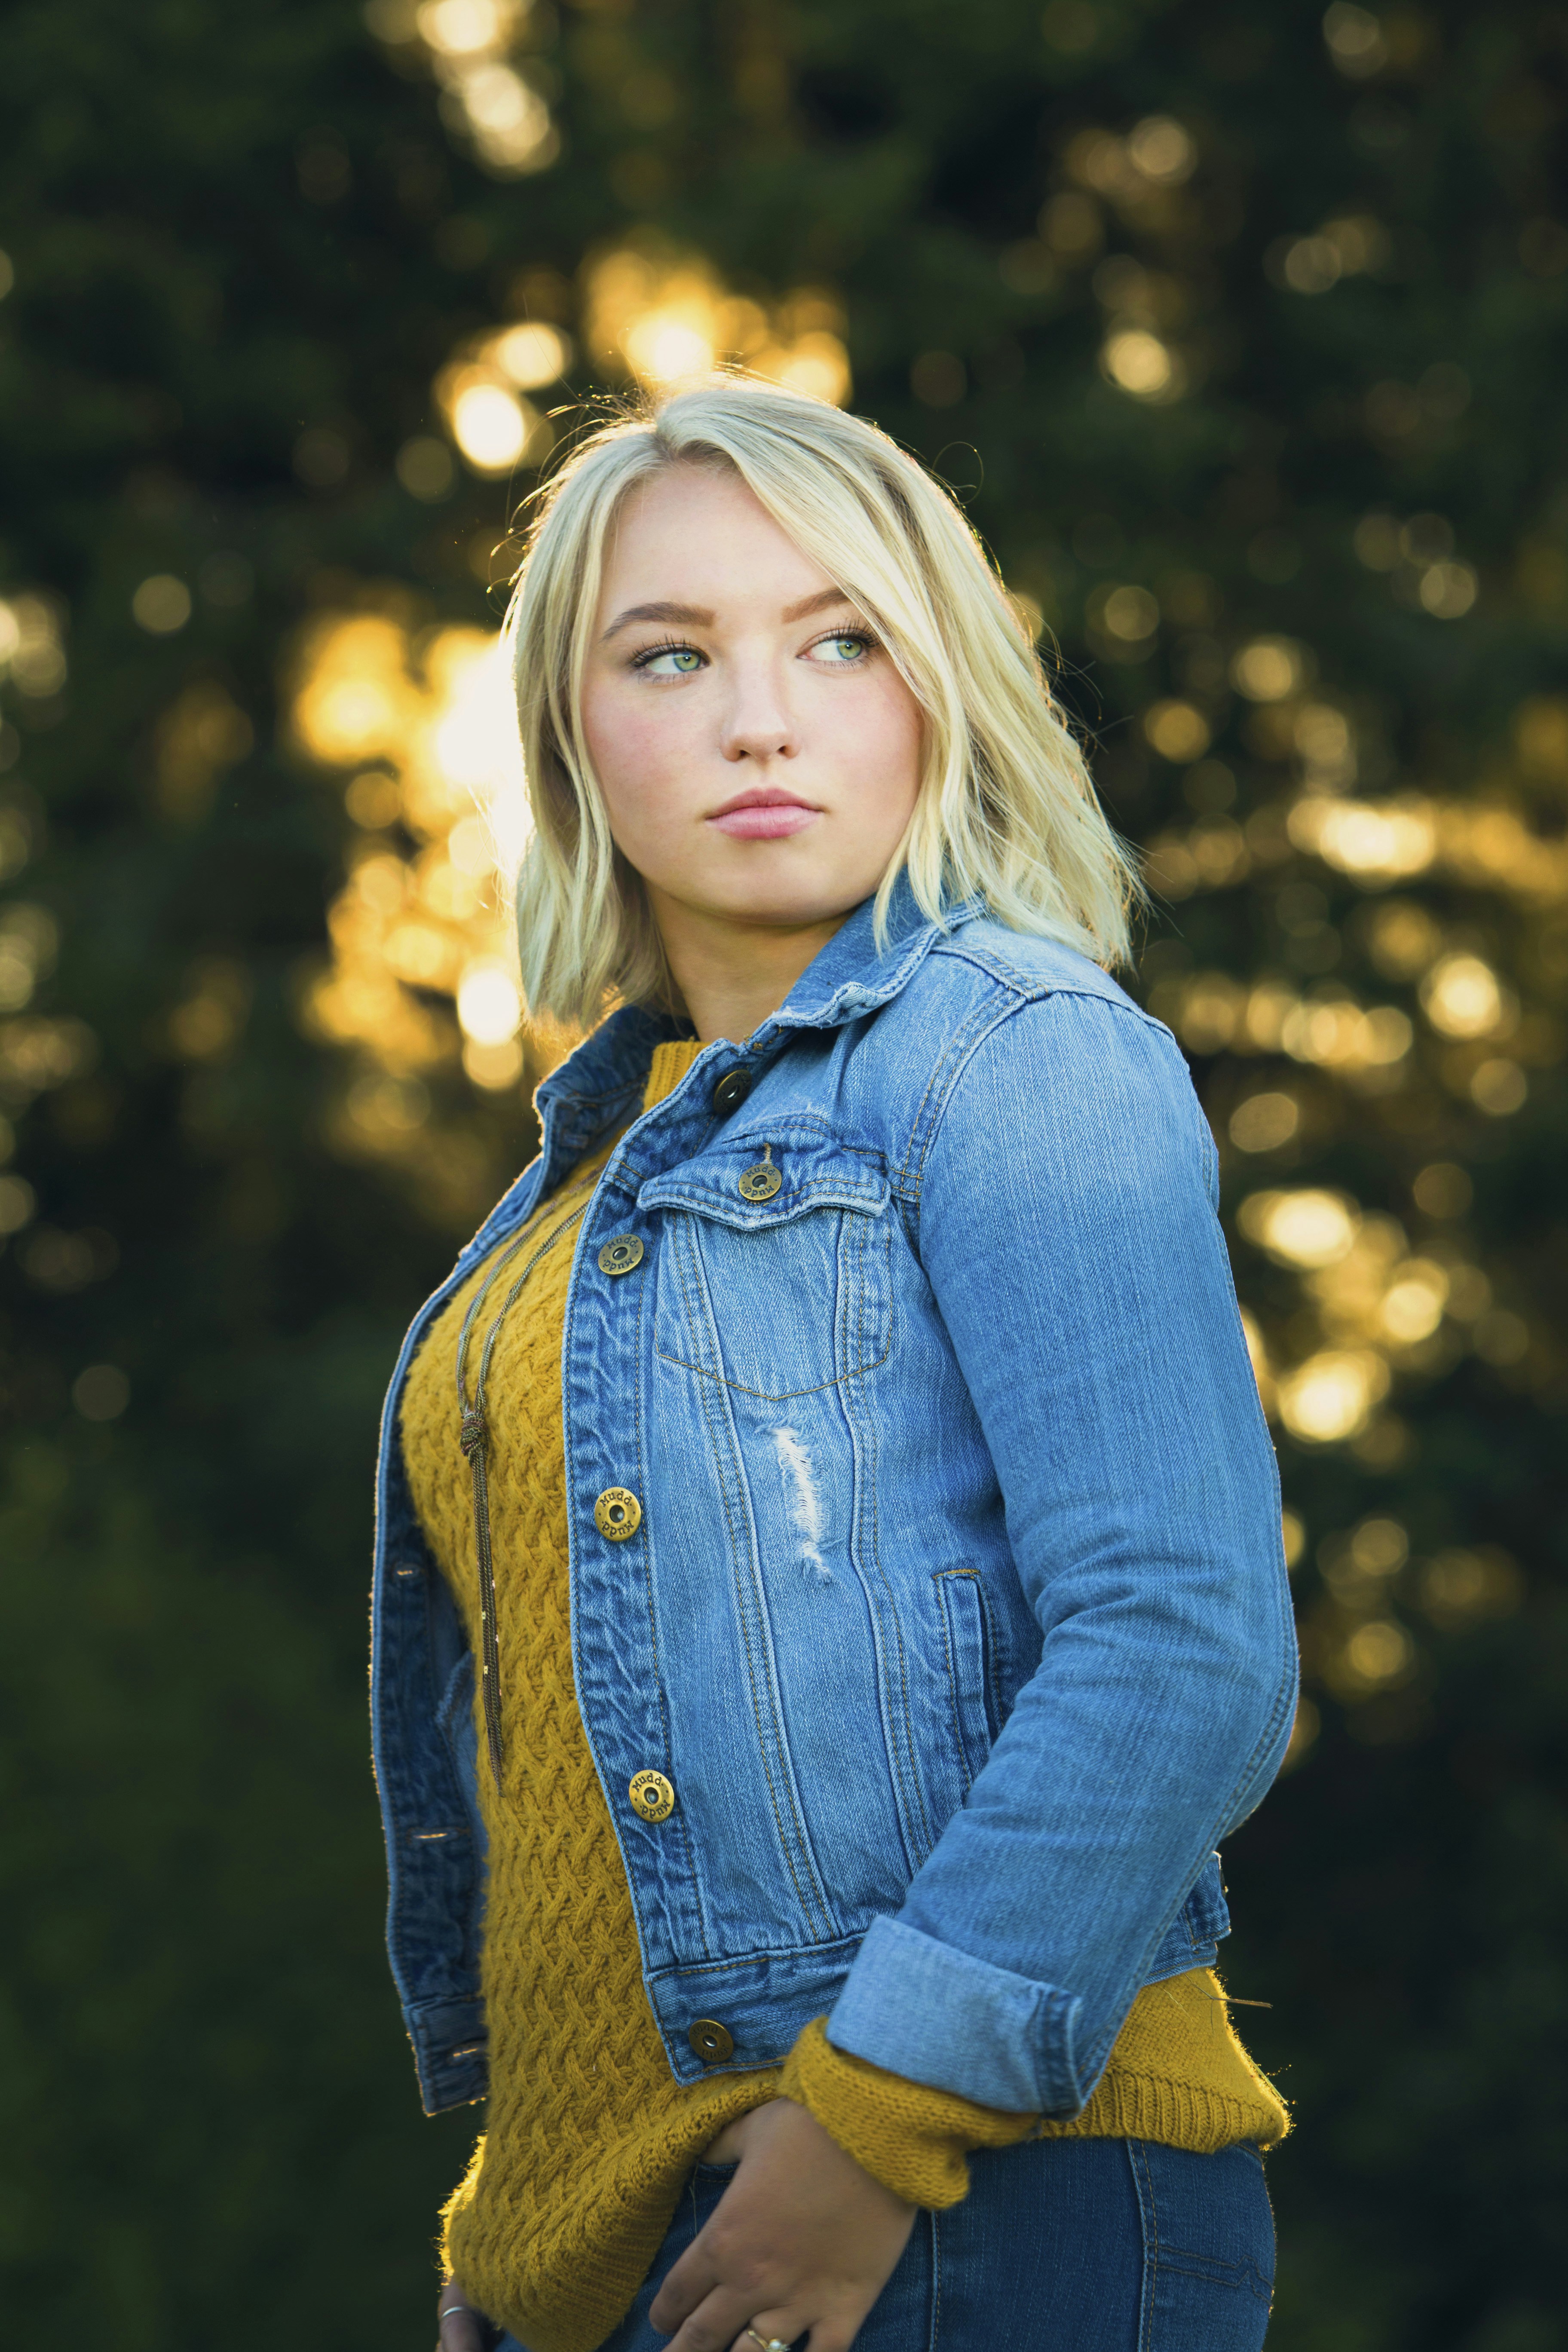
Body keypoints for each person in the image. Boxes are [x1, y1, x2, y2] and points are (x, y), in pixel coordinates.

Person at [370, 374, 1297, 2352]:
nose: (761, 717)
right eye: (672, 652)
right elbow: (578, 1761)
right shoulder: (578, 1183)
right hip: (647, 2237)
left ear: (938, 686)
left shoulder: (1013, 1049)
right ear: (569, 733)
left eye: (841, 639)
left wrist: (871, 2132)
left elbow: (1182, 1641)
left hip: (974, 2200)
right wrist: (519, 2213)